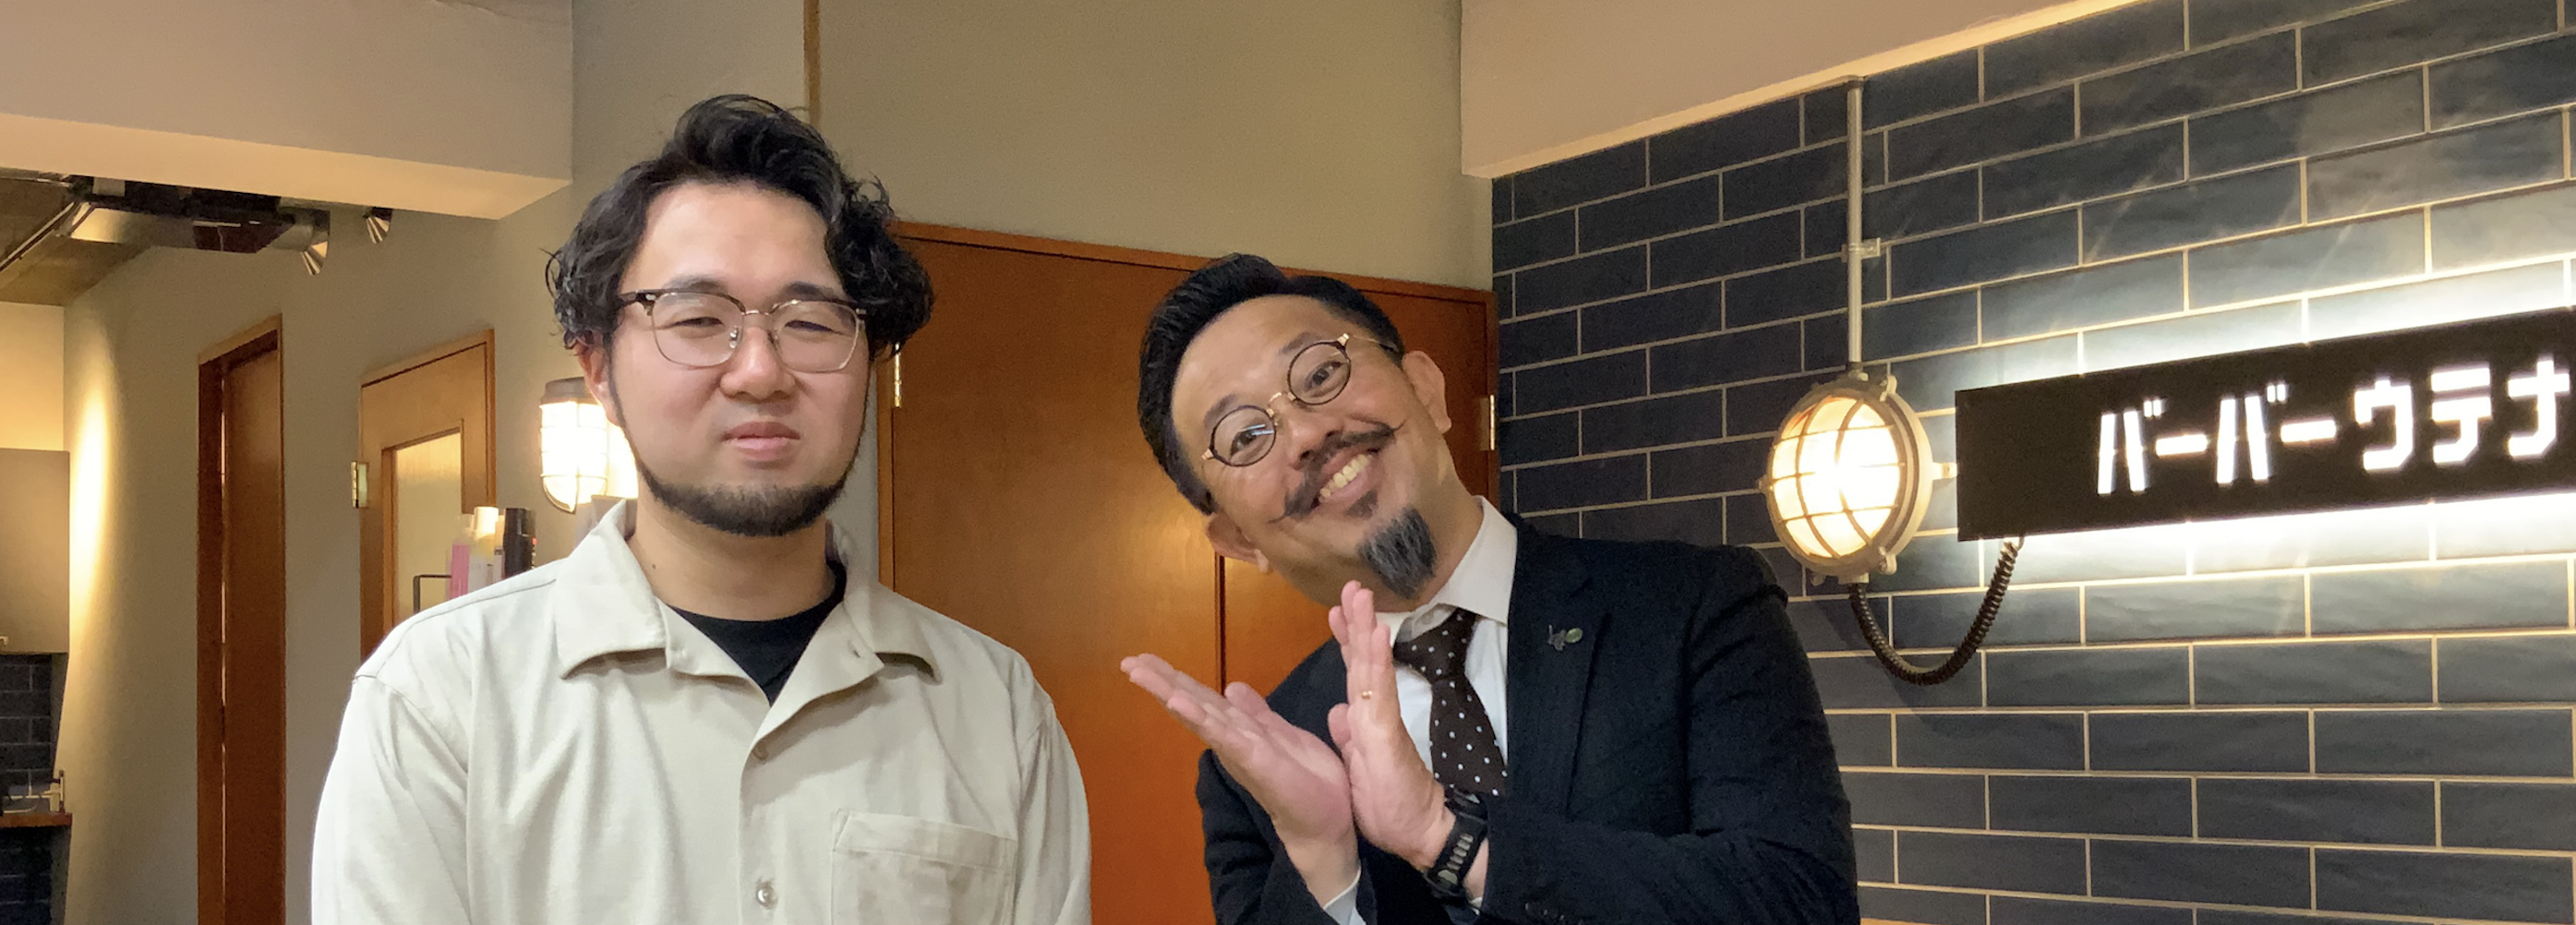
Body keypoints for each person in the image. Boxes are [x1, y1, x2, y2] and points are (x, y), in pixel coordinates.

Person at [313, 95, 1090, 925]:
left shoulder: (995, 708)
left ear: (870, 359)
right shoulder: (442, 693)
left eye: (811, 322)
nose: (759, 371)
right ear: (599, 369)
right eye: (697, 319)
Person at [1120, 255, 1856, 925]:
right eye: (1246, 436)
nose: (1307, 434)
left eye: (1319, 375)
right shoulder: (1253, 778)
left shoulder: (1692, 607)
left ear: (1427, 389)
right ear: (1238, 540)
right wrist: (1325, 865)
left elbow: (1801, 902)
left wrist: (1450, 838)